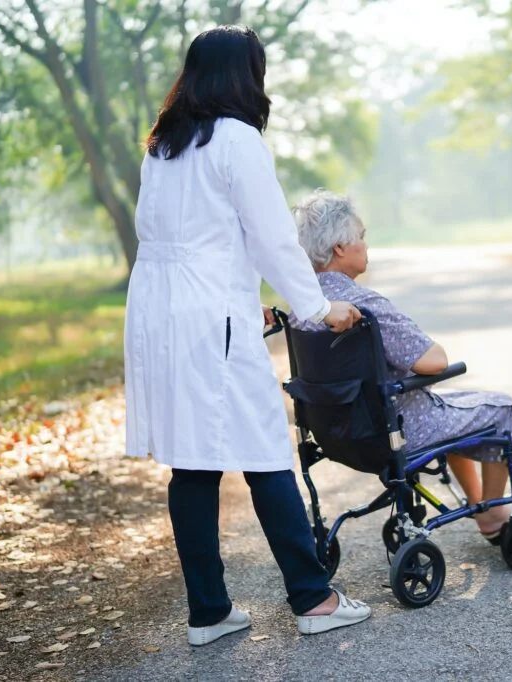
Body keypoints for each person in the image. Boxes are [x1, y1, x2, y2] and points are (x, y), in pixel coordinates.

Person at [124, 26, 370, 647]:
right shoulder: (237, 140)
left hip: (161, 312)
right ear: (246, 76)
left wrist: (243, 299)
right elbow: (271, 239)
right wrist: (318, 309)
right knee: (263, 447)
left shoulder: (163, 146)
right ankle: (313, 599)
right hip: (210, 315)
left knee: (193, 460)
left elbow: (185, 242)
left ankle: (208, 612)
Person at [288, 190, 512, 541]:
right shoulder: (364, 305)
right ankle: (494, 515)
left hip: (337, 435)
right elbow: (435, 361)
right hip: (394, 432)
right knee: (502, 408)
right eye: (361, 237)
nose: (366, 245)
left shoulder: (302, 308)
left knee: (453, 411)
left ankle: (478, 502)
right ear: (340, 248)